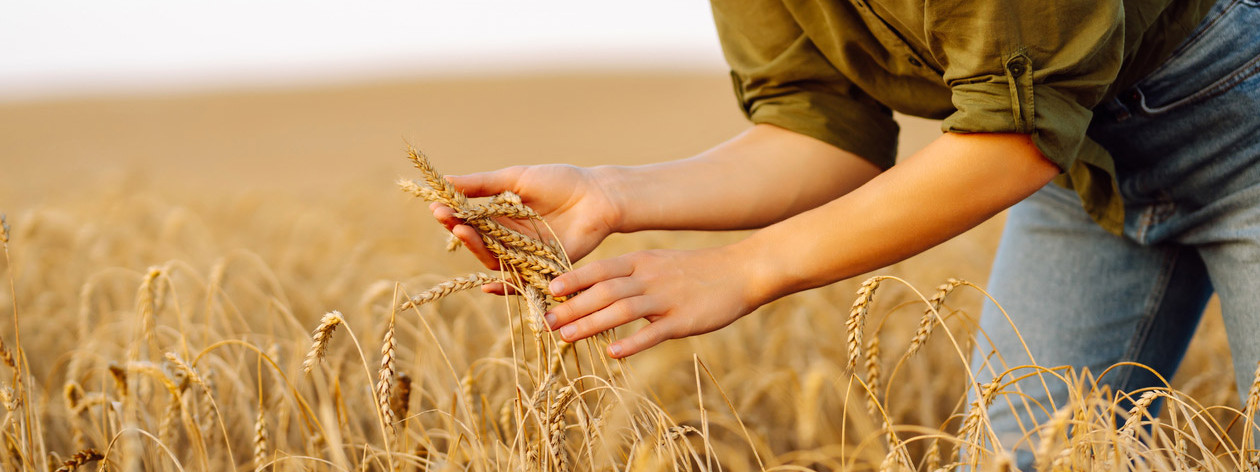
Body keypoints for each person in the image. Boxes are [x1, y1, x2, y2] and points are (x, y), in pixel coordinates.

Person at [433, 0, 1260, 467]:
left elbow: (1011, 146)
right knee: (1018, 458)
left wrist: (746, 268)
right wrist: (613, 193)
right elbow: (823, 130)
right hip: (1087, 170)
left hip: (1238, 127)